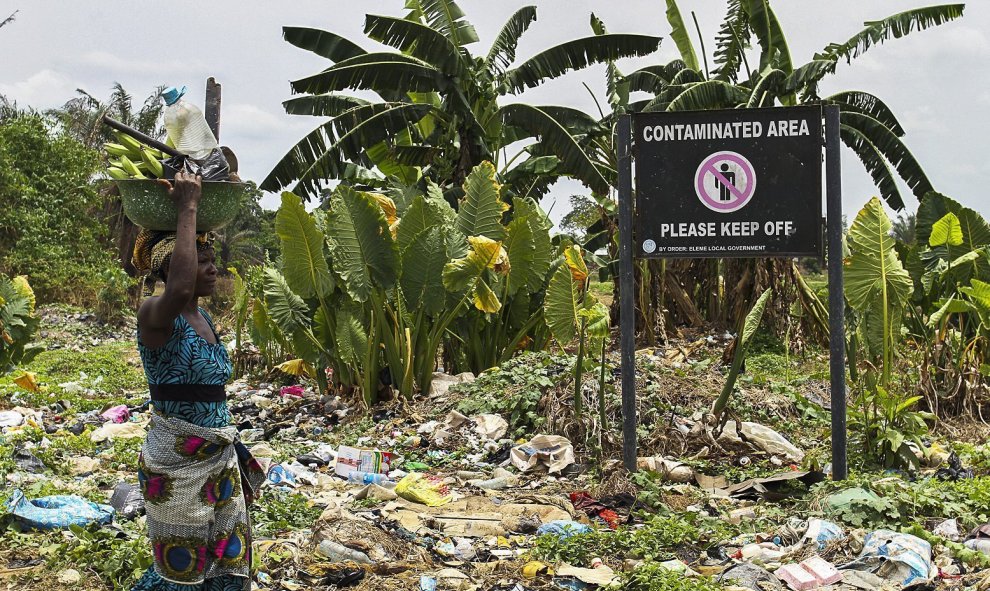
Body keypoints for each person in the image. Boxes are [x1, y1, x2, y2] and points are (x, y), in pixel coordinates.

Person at [129, 172, 265, 591]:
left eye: (211, 259)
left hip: (216, 454)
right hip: (178, 465)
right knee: (182, 569)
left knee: (228, 562)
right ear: (171, 268)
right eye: (201, 260)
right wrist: (187, 206)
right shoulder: (155, 314)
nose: (213, 269)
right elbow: (182, 285)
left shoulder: (202, 317)